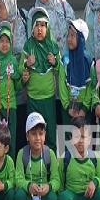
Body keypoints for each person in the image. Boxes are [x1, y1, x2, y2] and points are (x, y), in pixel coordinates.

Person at [12, 112, 61, 200]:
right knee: (20, 195)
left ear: (45, 136)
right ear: (27, 136)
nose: (37, 138)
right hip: (30, 194)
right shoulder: (22, 154)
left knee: (52, 198)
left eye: (41, 134)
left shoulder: (49, 154)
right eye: (33, 134)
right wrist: (28, 186)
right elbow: (18, 178)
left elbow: (57, 180)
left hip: (43, 194)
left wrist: (49, 187)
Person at [21, 8, 60, 152]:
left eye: (43, 25)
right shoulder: (28, 45)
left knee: (49, 135)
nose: (39, 29)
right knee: (33, 135)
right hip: (33, 99)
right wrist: (27, 64)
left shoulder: (52, 46)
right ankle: (36, 167)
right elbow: (21, 71)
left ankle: (52, 168)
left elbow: (59, 71)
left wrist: (54, 62)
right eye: (37, 25)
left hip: (48, 99)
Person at [0, 22, 23, 154]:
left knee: (10, 139)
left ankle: (11, 170)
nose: (4, 44)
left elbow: (17, 85)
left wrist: (23, 80)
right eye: (1, 41)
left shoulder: (13, 60)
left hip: (10, 106)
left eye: (7, 41)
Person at [58, 20, 95, 139]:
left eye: (73, 36)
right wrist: (67, 106)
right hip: (68, 109)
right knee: (69, 141)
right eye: (68, 35)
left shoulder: (88, 61)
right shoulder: (65, 60)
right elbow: (62, 84)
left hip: (84, 110)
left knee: (83, 141)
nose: (69, 39)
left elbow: (91, 87)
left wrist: (84, 108)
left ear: (81, 38)